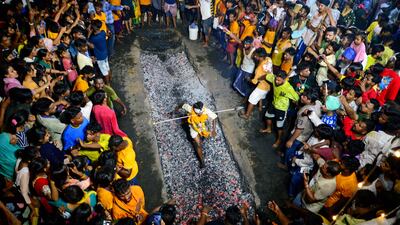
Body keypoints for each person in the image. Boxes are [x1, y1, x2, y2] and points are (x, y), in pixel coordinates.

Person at [260, 70, 299, 148]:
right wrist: (259, 79)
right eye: (276, 79)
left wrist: (294, 101)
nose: (277, 82)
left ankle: (278, 140)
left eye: (279, 80)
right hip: (273, 104)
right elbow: (266, 76)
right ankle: (268, 129)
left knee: (279, 126)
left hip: (281, 108)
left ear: (284, 79)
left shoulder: (288, 88)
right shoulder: (273, 78)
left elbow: (296, 98)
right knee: (267, 116)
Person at [181, 101, 217, 168]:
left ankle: (202, 135)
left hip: (202, 126)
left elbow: (214, 117)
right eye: (199, 113)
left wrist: (214, 130)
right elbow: (182, 104)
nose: (201, 113)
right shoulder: (190, 108)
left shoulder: (205, 110)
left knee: (206, 135)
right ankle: (202, 161)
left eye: (201, 112)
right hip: (193, 127)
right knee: (199, 144)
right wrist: (176, 110)